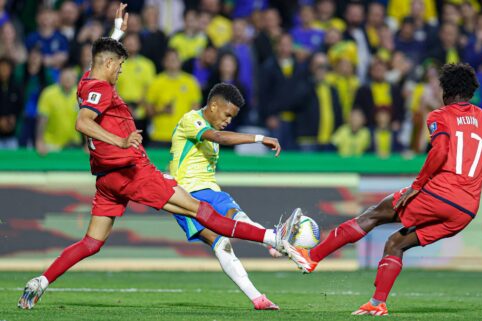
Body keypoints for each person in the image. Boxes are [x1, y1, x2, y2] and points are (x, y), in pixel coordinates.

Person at [18, 5, 301, 310]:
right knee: (202, 212)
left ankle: (41, 282)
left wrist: (117, 32)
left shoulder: (87, 81)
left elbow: (101, 59)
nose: (120, 71)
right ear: (110, 64)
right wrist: (122, 140)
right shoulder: (99, 87)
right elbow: (82, 122)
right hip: (132, 172)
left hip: (107, 180)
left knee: (92, 243)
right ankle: (273, 238)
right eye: (119, 66)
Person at [283, 63, 482, 316]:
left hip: (440, 193)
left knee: (373, 215)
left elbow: (440, 151)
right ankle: (377, 303)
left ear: (446, 90)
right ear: (470, 92)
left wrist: (417, 187)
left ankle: (311, 258)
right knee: (396, 243)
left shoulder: (440, 115)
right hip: (466, 210)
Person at [170, 82, 282, 310]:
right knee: (226, 229)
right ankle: (272, 243)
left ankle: (268, 254)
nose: (229, 119)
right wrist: (260, 138)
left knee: (229, 229)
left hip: (204, 191)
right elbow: (219, 137)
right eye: (227, 114)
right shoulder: (191, 120)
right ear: (213, 105)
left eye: (232, 116)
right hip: (186, 194)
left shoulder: (212, 128)